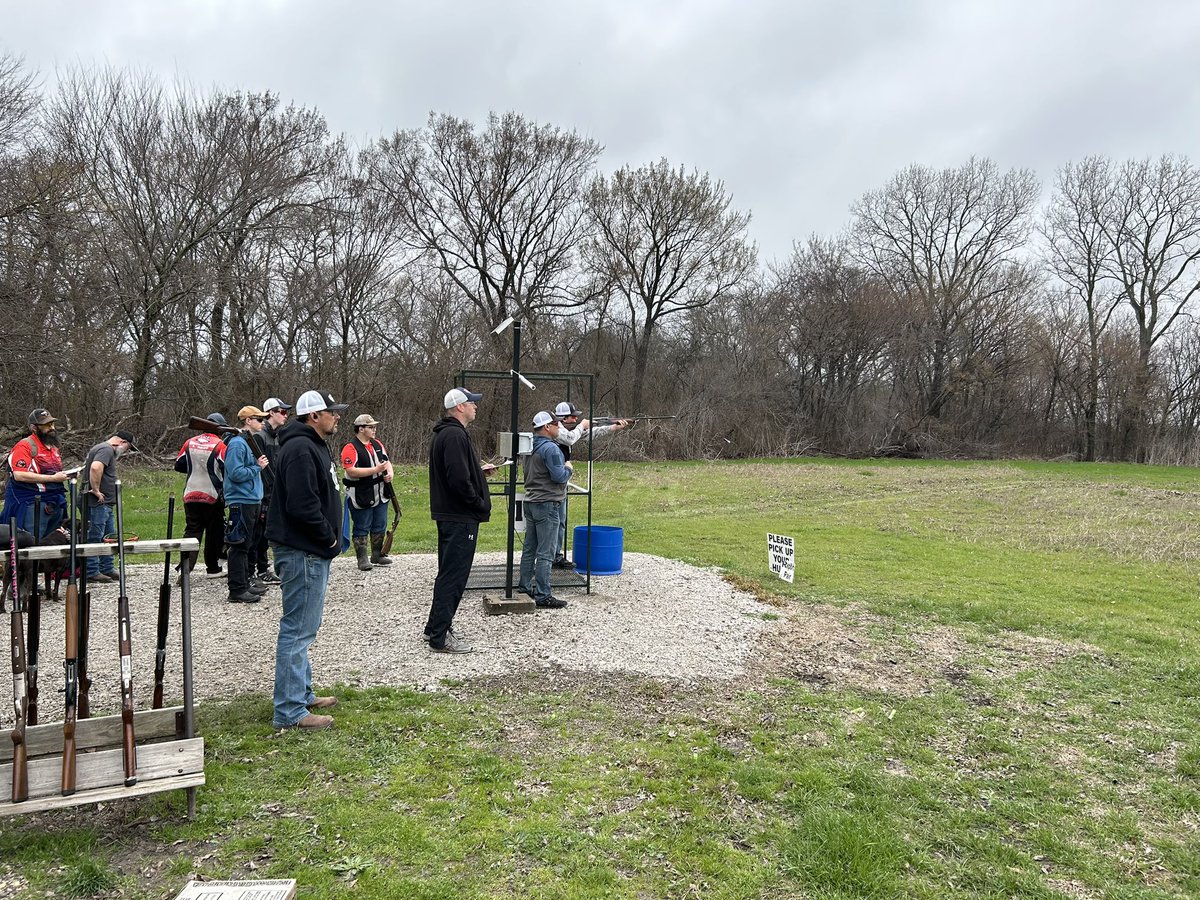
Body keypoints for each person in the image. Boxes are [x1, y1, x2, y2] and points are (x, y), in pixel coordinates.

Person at [266, 389, 347, 730]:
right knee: (298, 630)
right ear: (314, 416)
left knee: (304, 628)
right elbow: (302, 505)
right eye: (332, 412)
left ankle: (302, 693)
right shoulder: (300, 448)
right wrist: (328, 538)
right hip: (303, 551)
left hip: (310, 550)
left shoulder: (312, 445)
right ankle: (289, 711)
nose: (337, 416)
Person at [425, 387, 495, 654]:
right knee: (454, 576)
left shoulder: (448, 434)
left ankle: (435, 627)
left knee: (447, 573)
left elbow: (461, 473)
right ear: (459, 408)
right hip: (459, 516)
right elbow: (457, 480)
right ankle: (440, 637)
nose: (475, 407)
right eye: (471, 403)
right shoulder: (454, 435)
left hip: (452, 514)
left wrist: (478, 473)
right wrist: (476, 502)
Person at [550, 401, 629, 568]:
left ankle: (556, 556)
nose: (576, 419)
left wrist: (613, 427)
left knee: (561, 522)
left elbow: (589, 434)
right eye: (573, 416)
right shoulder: (557, 430)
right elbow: (571, 439)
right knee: (554, 523)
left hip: (560, 483)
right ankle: (550, 557)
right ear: (563, 418)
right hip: (552, 484)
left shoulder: (567, 429)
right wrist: (582, 425)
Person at [518, 411, 572, 609]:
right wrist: (569, 468)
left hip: (531, 501)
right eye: (557, 424)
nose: (560, 427)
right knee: (546, 552)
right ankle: (543, 595)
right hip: (548, 503)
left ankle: (525, 586)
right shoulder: (551, 449)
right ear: (547, 427)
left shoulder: (529, 446)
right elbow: (559, 476)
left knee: (530, 547)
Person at [223, 405, 269, 604]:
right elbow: (235, 473)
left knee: (247, 544)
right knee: (239, 545)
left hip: (251, 500)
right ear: (248, 421)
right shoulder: (237, 444)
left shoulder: (248, 442)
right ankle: (236, 589)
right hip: (241, 501)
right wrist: (257, 468)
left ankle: (244, 583)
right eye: (259, 419)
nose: (262, 422)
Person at [2, 408, 71, 539]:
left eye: (52, 424)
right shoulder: (24, 446)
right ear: (34, 427)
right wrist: (53, 478)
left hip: (55, 500)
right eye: (46, 425)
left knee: (54, 542)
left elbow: (53, 472)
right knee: (32, 543)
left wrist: (67, 475)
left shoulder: (53, 447)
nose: (51, 428)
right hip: (32, 502)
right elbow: (19, 475)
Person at [174, 412, 228, 578]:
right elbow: (226, 467)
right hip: (212, 493)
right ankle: (213, 569)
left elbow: (179, 465)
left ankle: (185, 568)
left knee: (192, 530)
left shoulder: (189, 442)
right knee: (214, 532)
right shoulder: (220, 445)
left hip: (191, 491)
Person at [80, 430, 138, 583]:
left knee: (109, 536)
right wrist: (96, 490)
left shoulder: (103, 449)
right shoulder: (106, 449)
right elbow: (95, 467)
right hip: (97, 503)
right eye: (128, 447)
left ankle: (107, 568)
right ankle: (91, 571)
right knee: (94, 536)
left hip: (105, 504)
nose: (125, 451)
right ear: (122, 442)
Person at [341, 413, 395, 571]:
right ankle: (362, 559)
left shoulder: (377, 444)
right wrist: (376, 470)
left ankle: (377, 554)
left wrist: (390, 473)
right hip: (360, 493)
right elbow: (351, 471)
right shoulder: (350, 448)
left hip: (380, 492)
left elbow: (387, 461)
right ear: (361, 429)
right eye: (371, 427)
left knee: (380, 524)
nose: (374, 429)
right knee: (362, 526)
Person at [253, 397, 291, 586]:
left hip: (274, 491)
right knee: (258, 533)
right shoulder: (260, 436)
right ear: (271, 413)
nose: (285, 416)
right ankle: (257, 570)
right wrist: (270, 491)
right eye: (282, 412)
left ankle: (262, 568)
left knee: (267, 532)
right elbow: (261, 469)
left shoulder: (277, 436)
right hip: (263, 493)